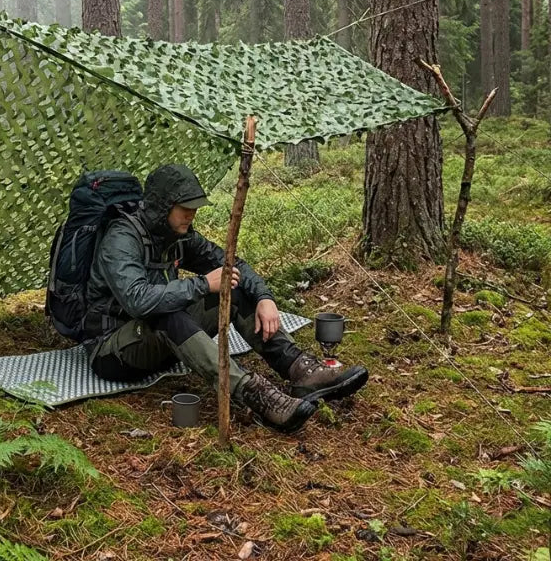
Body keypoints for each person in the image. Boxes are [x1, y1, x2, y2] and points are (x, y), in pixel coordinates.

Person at [84, 164, 369, 433]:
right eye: (185, 208)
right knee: (167, 312)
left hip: (157, 344)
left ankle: (301, 371)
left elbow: (232, 265)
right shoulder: (121, 238)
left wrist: (263, 297)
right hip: (113, 351)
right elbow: (138, 300)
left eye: (194, 208)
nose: (191, 214)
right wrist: (200, 285)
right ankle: (255, 394)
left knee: (230, 287)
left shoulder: (176, 235)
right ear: (162, 206)